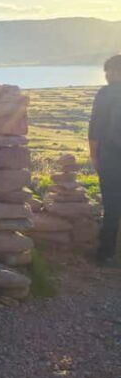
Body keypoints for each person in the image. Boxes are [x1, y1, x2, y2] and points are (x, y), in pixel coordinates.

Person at [89, 54, 121, 267]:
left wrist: (94, 156)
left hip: (112, 155)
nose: (107, 75)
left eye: (108, 71)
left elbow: (95, 129)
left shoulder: (107, 93)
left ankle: (106, 252)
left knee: (112, 204)